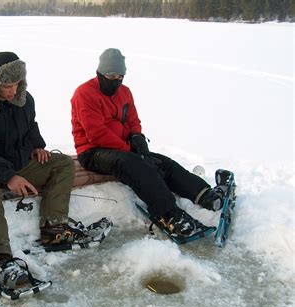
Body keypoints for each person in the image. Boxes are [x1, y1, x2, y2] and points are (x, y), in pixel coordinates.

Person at [0, 51, 84, 290]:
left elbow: (30, 125)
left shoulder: (23, 98)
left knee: (63, 163)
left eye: (17, 84)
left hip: (14, 164)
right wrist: (7, 175)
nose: (13, 91)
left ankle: (53, 227)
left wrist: (37, 145)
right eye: (7, 85)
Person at [71, 48, 223, 238]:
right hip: (93, 151)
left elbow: (134, 120)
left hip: (123, 148)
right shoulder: (85, 93)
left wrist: (138, 138)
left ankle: (202, 193)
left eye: (120, 75)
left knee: (160, 162)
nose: (116, 79)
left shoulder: (124, 92)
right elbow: (96, 134)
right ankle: (169, 214)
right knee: (134, 164)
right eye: (111, 75)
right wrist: (130, 150)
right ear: (100, 73)